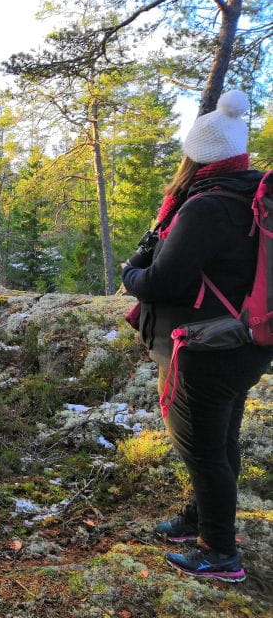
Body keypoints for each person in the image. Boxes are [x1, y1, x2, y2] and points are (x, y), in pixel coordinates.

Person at [122, 90, 272, 582]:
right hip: (243, 342)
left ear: (195, 153)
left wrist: (131, 273)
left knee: (201, 448)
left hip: (204, 348)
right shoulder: (248, 198)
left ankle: (220, 554)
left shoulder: (207, 207)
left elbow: (163, 281)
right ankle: (198, 520)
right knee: (220, 439)